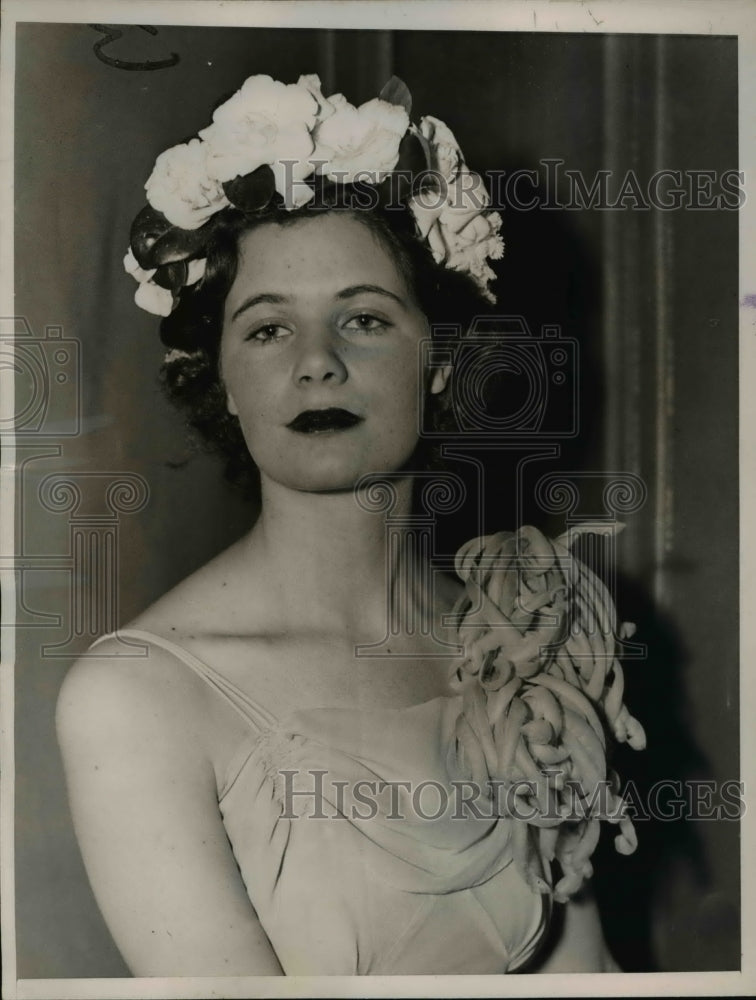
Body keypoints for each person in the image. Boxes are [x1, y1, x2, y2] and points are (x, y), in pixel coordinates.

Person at [56, 71, 642, 977]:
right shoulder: (136, 699)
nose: (317, 364)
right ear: (219, 379)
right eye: (266, 330)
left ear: (441, 360)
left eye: (364, 319)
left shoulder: (521, 637)